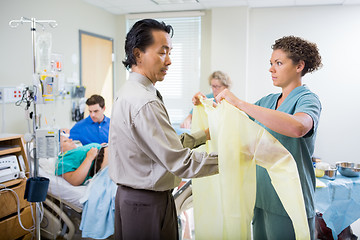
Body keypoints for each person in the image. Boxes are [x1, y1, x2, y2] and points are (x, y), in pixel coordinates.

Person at [108, 19, 219, 240]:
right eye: (162, 52)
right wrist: (235, 157)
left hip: (132, 199)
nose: (169, 61)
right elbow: (181, 162)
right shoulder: (144, 102)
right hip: (147, 204)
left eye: (169, 52)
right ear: (138, 54)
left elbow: (159, 146)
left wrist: (203, 135)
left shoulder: (130, 91)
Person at [206, 36, 322, 239]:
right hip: (262, 198)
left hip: (290, 201)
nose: (271, 69)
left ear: (299, 66)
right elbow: (232, 122)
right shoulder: (267, 101)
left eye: (278, 63)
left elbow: (298, 127)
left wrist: (240, 103)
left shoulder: (307, 99)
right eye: (271, 63)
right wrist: (204, 107)